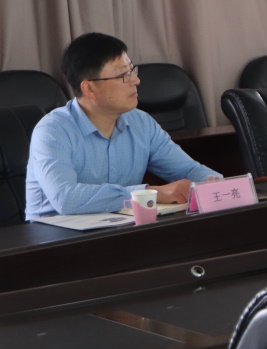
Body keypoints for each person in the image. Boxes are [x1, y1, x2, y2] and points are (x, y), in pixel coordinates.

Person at [25, 32, 220, 220]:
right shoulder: (53, 131)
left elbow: (188, 170)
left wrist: (215, 184)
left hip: (118, 229)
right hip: (54, 235)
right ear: (89, 88)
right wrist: (148, 193)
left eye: (132, 70)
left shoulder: (141, 123)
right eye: (123, 75)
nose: (136, 80)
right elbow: (65, 198)